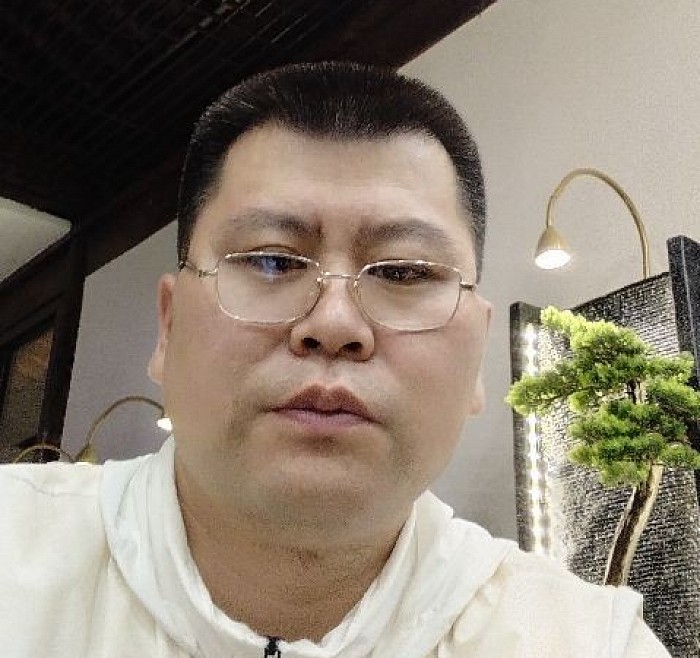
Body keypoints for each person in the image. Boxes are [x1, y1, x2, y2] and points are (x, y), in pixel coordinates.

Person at [0, 62, 670, 657]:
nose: (334, 324)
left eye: (404, 272)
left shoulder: (585, 641)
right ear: (169, 327)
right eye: (271, 260)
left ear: (478, 356)